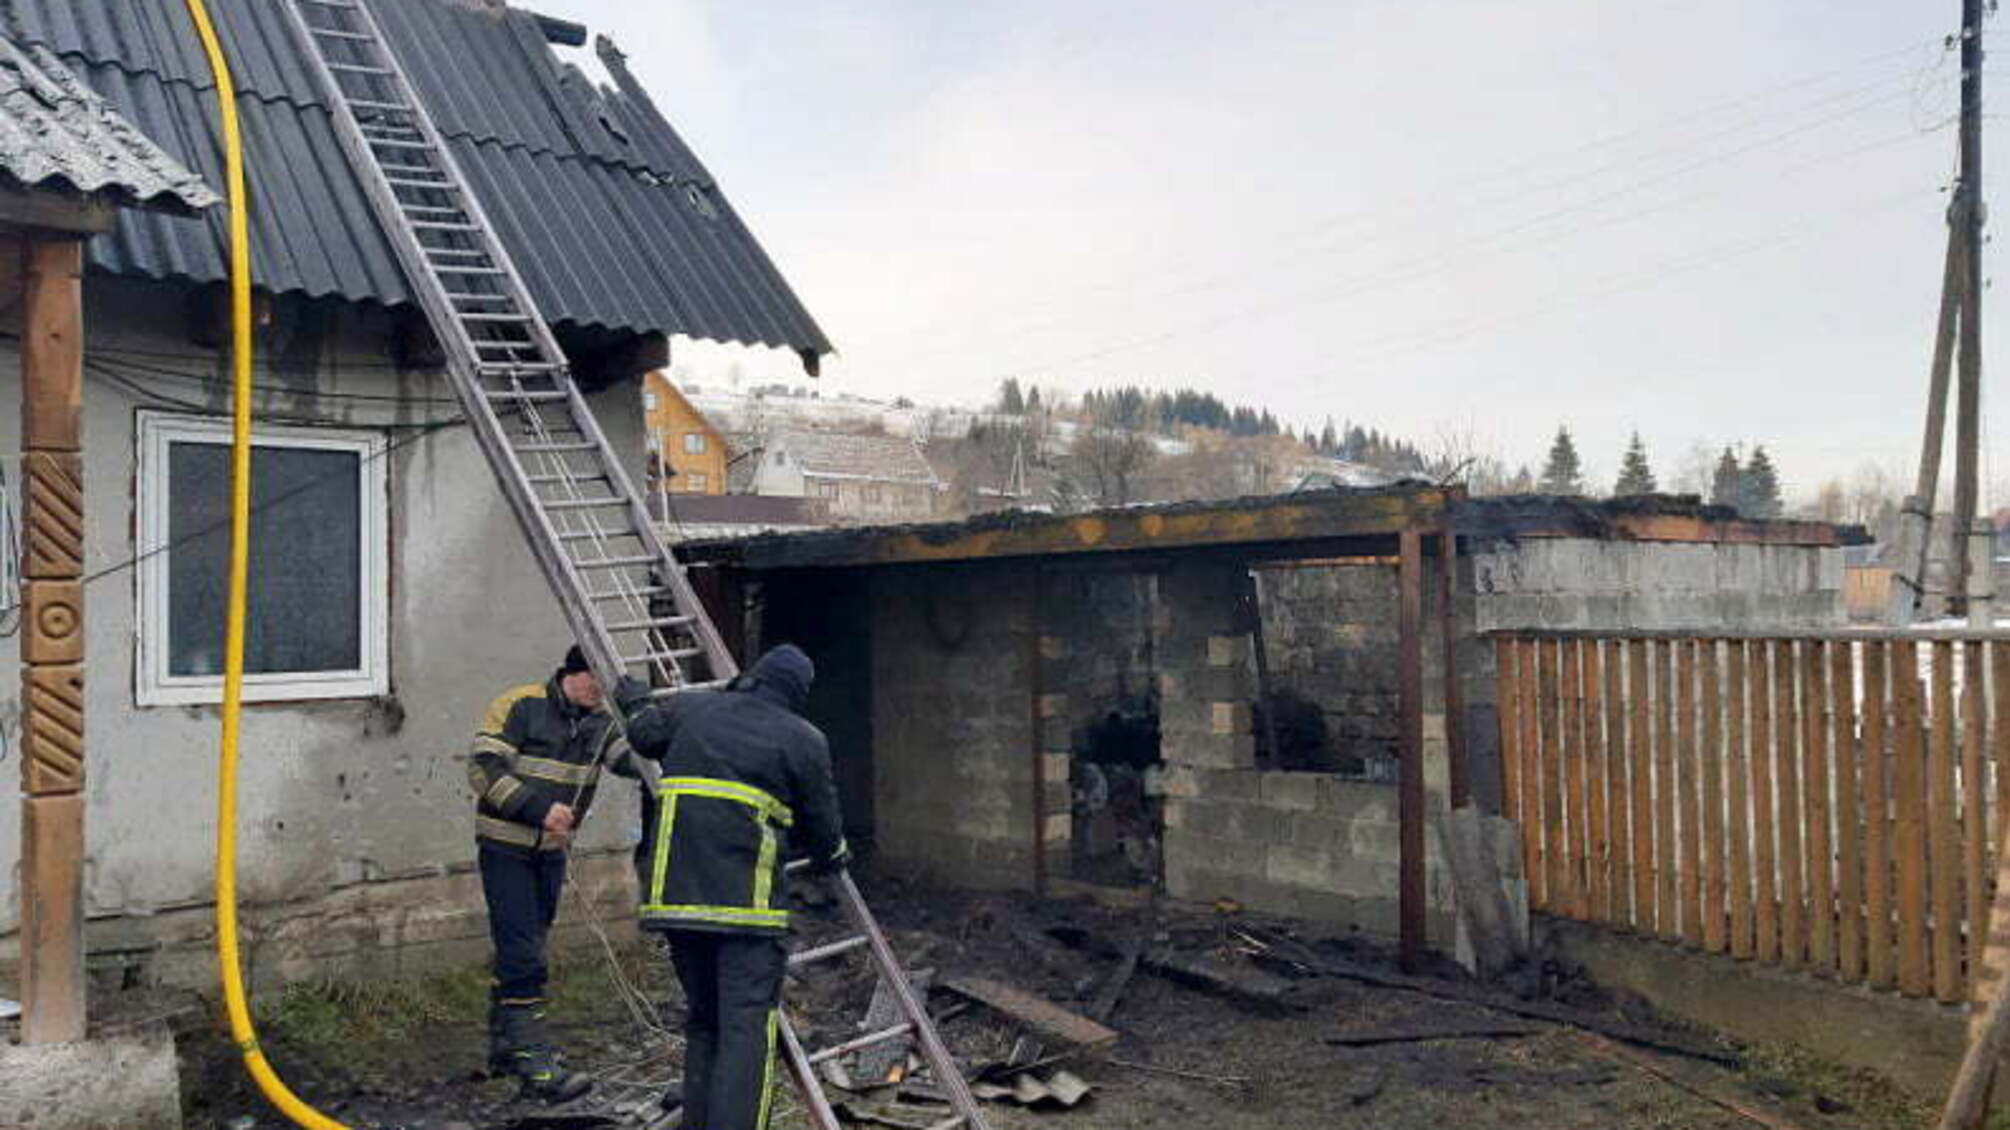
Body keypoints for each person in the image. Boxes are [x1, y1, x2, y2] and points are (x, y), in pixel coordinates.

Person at [623, 643, 848, 1130]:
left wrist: (635, 699)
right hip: (747, 913)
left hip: (676, 901)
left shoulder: (692, 708)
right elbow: (823, 822)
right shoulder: (802, 738)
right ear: (798, 692)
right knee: (746, 1032)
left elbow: (642, 734)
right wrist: (834, 857)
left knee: (705, 1023)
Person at [464, 644, 628, 1103]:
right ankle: (536, 1066)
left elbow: (631, 761)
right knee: (524, 955)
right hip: (505, 847)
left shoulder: (601, 722)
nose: (600, 693)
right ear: (573, 674)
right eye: (595, 681)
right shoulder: (520, 704)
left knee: (528, 943)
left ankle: (504, 1049)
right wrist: (538, 810)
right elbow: (482, 769)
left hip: (551, 853)